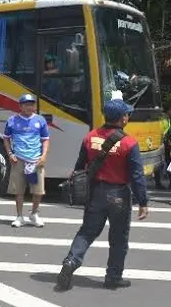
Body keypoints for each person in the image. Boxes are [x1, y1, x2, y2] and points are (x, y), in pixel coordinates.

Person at [55, 99, 149, 291]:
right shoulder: (129, 143)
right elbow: (137, 175)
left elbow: (80, 166)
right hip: (119, 195)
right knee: (118, 238)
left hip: (95, 192)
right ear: (123, 118)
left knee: (87, 231)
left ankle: (71, 261)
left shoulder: (90, 137)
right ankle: (113, 278)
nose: (128, 117)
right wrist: (143, 202)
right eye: (127, 114)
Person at [4, 94, 50, 228]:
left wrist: (44, 156)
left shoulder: (40, 120)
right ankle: (19, 216)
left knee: (38, 191)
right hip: (19, 160)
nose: (29, 107)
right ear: (20, 106)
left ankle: (34, 214)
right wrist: (10, 153)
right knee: (19, 190)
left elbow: (45, 139)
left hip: (36, 160)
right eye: (26, 104)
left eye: (31, 104)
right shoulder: (12, 120)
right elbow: (6, 138)